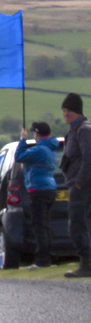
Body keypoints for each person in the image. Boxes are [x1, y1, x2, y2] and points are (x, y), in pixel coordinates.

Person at [15, 122, 59, 268]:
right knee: (45, 225)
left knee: (39, 226)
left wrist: (22, 139)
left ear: (37, 134)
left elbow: (18, 156)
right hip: (49, 189)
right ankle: (48, 257)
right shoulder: (50, 148)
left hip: (38, 190)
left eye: (34, 133)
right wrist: (27, 165)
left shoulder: (40, 149)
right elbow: (36, 166)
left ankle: (42, 260)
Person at [60, 93, 91, 278]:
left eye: (66, 110)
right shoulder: (74, 130)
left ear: (74, 111)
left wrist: (79, 182)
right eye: (63, 110)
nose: (64, 114)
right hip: (78, 184)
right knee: (80, 225)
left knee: (76, 226)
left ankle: (87, 265)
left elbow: (89, 158)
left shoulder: (83, 130)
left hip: (82, 185)